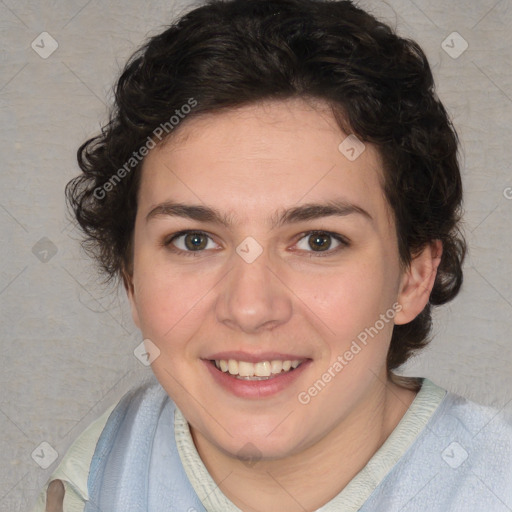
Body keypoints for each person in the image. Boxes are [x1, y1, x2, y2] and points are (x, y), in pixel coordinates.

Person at [32, 0, 512, 510]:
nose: (250, 308)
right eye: (194, 240)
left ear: (413, 277)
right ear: (131, 278)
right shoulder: (100, 475)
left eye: (318, 241)